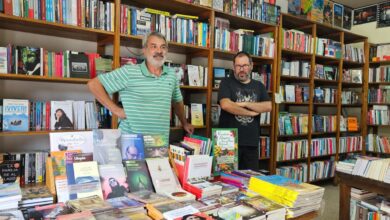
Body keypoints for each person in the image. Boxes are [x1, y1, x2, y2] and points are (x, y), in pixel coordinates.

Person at [87, 31, 194, 140]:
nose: (159, 51)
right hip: (131, 143)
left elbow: (177, 101)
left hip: (159, 143)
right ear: (144, 50)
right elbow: (94, 84)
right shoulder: (129, 72)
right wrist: (117, 111)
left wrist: (184, 123)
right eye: (154, 46)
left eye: (163, 47)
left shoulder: (171, 74)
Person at [217, 51, 272, 171]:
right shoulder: (226, 83)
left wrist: (246, 103)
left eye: (245, 65)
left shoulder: (259, 86)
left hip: (251, 142)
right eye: (238, 66)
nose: (242, 69)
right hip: (226, 141)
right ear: (233, 67)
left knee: (250, 181)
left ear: (251, 66)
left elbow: (268, 106)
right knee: (226, 179)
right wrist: (250, 112)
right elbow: (226, 105)